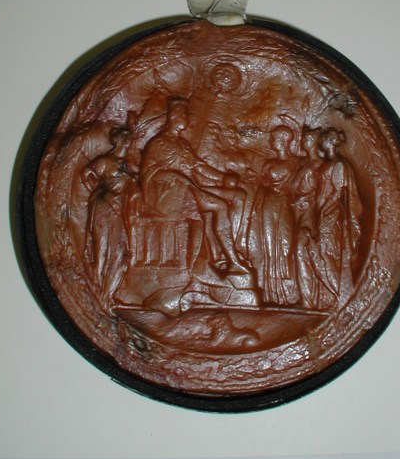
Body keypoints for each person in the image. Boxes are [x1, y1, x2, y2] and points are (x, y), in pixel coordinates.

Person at [139, 98, 249, 274]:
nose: (187, 119)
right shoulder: (158, 144)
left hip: (187, 190)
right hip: (166, 195)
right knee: (219, 206)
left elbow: (198, 166)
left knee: (235, 196)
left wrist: (223, 177)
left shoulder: (182, 144)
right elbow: (147, 174)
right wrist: (170, 175)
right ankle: (229, 260)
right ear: (173, 117)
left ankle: (220, 255)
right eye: (184, 115)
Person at [79, 127, 136, 307]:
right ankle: (97, 294)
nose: (129, 144)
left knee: (122, 254)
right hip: (105, 209)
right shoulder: (105, 161)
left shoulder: (126, 164)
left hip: (120, 212)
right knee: (101, 252)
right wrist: (99, 191)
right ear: (120, 142)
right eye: (127, 141)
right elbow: (86, 174)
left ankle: (108, 296)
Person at [248, 126, 299, 306]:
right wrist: (254, 210)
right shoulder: (268, 165)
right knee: (269, 247)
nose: (271, 142)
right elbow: (262, 188)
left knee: (286, 245)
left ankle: (289, 293)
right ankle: (271, 294)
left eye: (274, 139)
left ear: (284, 141)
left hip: (286, 205)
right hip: (269, 205)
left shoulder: (297, 163)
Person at [316, 128, 363, 304]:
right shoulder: (329, 163)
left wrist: (324, 211)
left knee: (327, 253)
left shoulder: (339, 165)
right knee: (325, 252)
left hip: (332, 214)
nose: (320, 141)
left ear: (330, 142)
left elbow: (337, 193)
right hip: (324, 213)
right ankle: (332, 294)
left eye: (323, 138)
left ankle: (338, 293)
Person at [292, 127, 337, 309]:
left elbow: (323, 192)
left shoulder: (319, 166)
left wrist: (307, 199)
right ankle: (307, 298)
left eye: (305, 139)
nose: (302, 142)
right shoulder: (306, 164)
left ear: (311, 142)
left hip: (312, 213)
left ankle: (313, 298)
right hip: (300, 211)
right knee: (300, 251)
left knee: (304, 249)